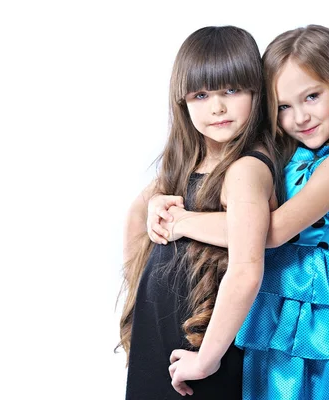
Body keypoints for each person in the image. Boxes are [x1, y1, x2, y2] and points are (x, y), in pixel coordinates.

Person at [149, 24, 329, 399]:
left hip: (309, 297)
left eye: (311, 97)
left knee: (304, 385)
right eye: (283, 107)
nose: (299, 118)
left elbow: (272, 232)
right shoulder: (286, 153)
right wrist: (157, 203)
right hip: (271, 295)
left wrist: (184, 222)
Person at [116, 25, 280, 399]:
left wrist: (206, 359)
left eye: (232, 90)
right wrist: (139, 298)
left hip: (206, 341)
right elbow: (135, 215)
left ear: (258, 91)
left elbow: (246, 264)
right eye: (202, 94)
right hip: (162, 332)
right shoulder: (188, 160)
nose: (217, 107)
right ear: (183, 100)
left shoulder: (246, 168)